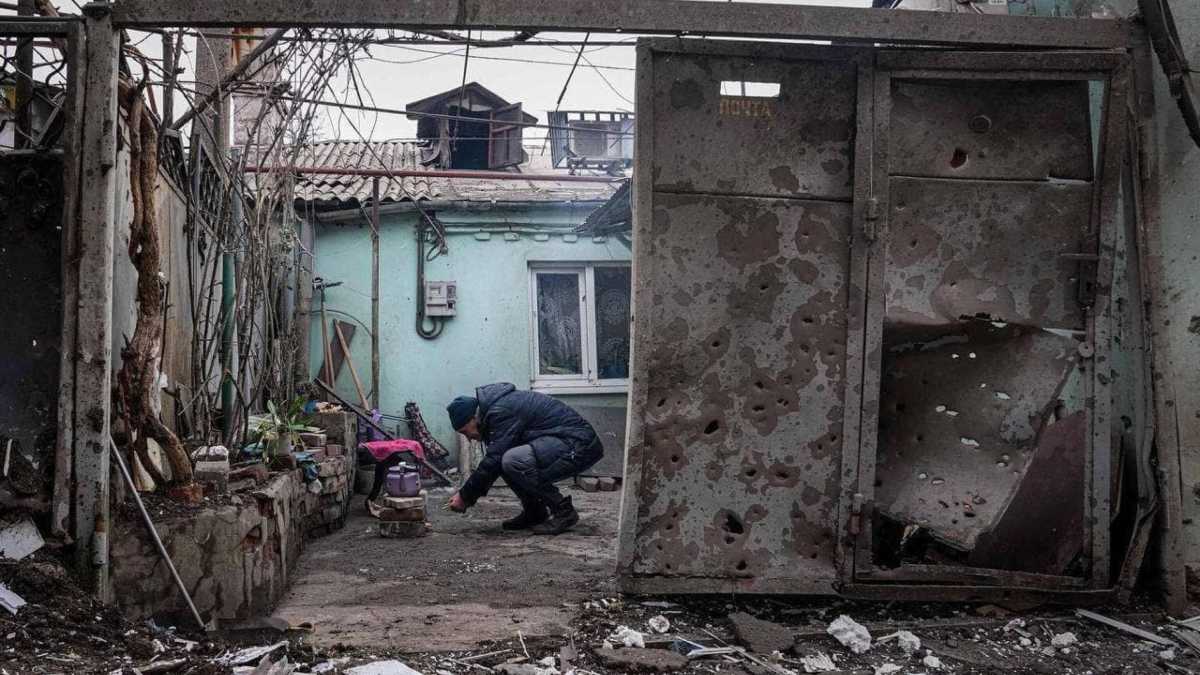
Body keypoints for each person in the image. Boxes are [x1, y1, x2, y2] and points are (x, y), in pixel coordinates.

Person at [445, 382, 603, 535]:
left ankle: (563, 511)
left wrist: (464, 496)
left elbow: (493, 460)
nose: (469, 438)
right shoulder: (497, 409)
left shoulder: (501, 411)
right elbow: (495, 462)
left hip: (578, 444)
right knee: (506, 460)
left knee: (512, 460)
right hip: (568, 442)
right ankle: (534, 512)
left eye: (466, 432)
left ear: (473, 418)